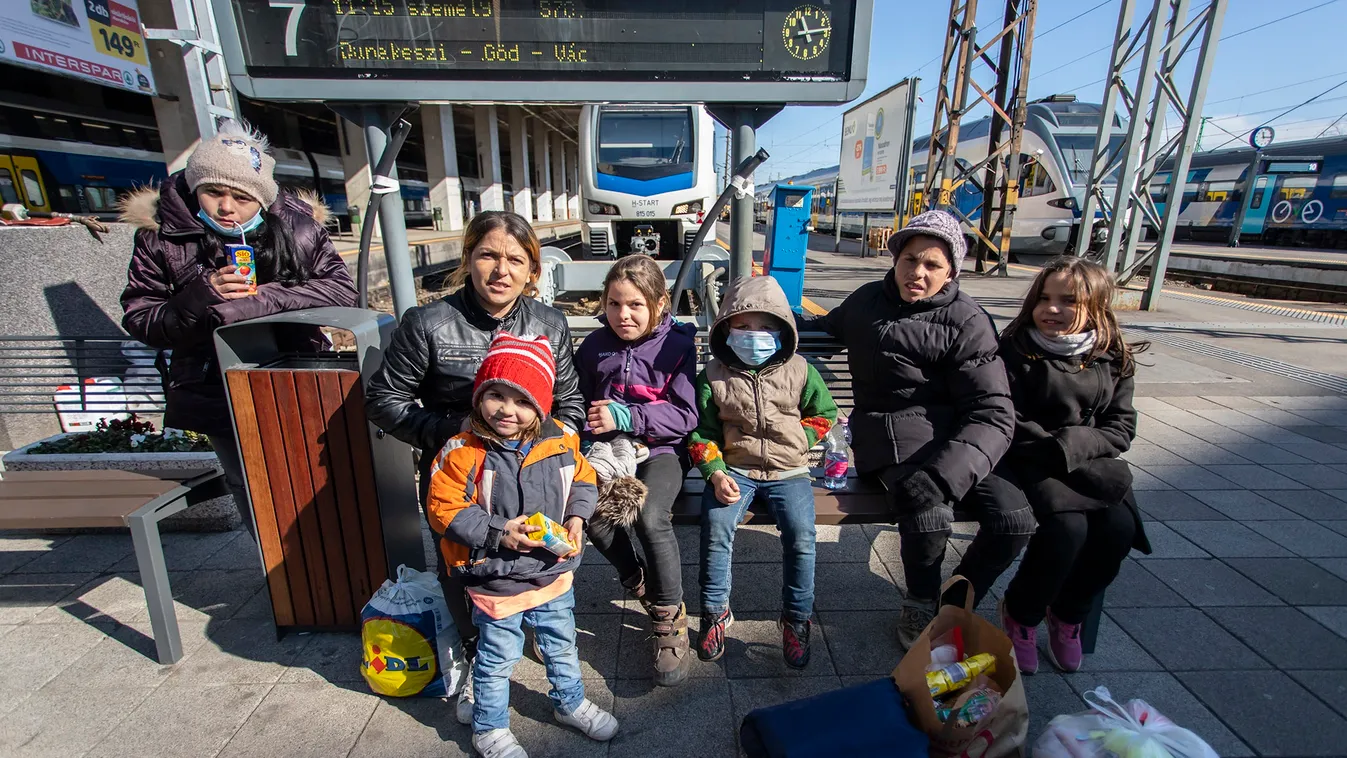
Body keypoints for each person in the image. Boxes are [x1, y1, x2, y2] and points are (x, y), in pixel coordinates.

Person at [365, 210, 585, 724]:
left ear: (533, 269)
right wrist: (460, 439)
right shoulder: (428, 324)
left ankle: (533, 634)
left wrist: (557, 449)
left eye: (515, 259)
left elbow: (570, 399)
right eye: (488, 254)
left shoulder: (549, 323)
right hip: (462, 474)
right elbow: (385, 400)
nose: (500, 269)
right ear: (468, 259)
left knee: (540, 557)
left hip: (534, 471)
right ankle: (474, 655)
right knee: (463, 565)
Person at [798, 209, 1034, 650]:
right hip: (889, 440)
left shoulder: (967, 321)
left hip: (958, 442)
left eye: (932, 265)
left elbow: (993, 410)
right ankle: (921, 601)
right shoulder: (866, 301)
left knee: (1013, 518)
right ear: (895, 258)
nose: (917, 273)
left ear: (951, 272)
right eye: (910, 259)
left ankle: (957, 601)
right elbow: (820, 328)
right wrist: (762, 318)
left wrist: (946, 473)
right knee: (926, 511)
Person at [120, 120, 358, 539]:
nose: (227, 207)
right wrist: (201, 296)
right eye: (214, 192)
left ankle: (323, 563)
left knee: (317, 479)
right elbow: (142, 318)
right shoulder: (162, 237)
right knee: (248, 483)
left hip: (298, 378)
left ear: (263, 201)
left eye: (243, 197)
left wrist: (263, 299)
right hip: (213, 385)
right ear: (195, 188)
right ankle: (275, 569)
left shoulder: (298, 227)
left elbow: (342, 289)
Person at [426, 332, 617, 758]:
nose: (507, 410)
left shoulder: (563, 439)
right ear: (479, 396)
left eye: (522, 400)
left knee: (561, 643)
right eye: (496, 394)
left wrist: (577, 516)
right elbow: (442, 506)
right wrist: (498, 532)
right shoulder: (462, 450)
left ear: (541, 405)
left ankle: (569, 702)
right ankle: (489, 728)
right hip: (495, 575)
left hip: (552, 569)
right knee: (498, 655)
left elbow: (583, 479)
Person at [996, 258, 1152, 674]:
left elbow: (1121, 426)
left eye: (1068, 301)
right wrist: (1056, 447)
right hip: (1032, 460)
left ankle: (1068, 614)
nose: (1051, 309)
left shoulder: (1111, 356)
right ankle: (1022, 613)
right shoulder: (1015, 348)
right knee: (1067, 530)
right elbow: (1003, 416)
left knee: (1119, 529)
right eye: (1044, 298)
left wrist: (1078, 444)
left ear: (1096, 305)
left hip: (1089, 462)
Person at [689, 276, 838, 670]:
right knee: (716, 530)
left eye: (766, 326)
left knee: (803, 536)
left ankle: (796, 617)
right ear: (726, 329)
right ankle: (714, 611)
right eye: (744, 326)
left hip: (789, 471)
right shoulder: (714, 377)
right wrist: (715, 472)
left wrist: (800, 438)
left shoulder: (801, 371)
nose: (755, 335)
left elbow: (825, 414)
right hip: (736, 468)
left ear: (783, 330)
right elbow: (700, 433)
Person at [576, 255, 699, 686]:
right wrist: (588, 435)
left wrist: (629, 418)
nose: (623, 315)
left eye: (635, 305)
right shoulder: (594, 347)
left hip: (662, 451)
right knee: (590, 511)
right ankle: (637, 579)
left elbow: (686, 415)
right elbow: (578, 403)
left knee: (650, 516)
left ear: (660, 303)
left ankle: (669, 618)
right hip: (609, 451)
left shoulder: (678, 348)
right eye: (613, 304)